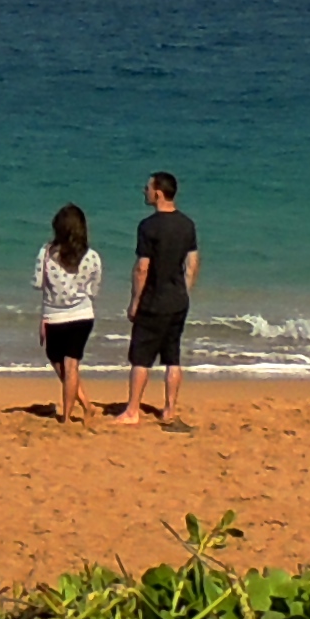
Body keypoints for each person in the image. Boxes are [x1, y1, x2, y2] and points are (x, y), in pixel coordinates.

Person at [118, 171, 200, 429]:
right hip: (178, 300)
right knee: (172, 357)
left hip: (154, 300)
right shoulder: (187, 224)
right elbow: (193, 262)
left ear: (158, 193)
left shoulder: (149, 226)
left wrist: (134, 301)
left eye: (148, 188)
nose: (144, 191)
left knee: (141, 358)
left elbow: (142, 268)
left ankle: (132, 410)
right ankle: (170, 409)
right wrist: (184, 288)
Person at [33, 205, 100, 423]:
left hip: (55, 316)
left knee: (59, 361)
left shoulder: (46, 253)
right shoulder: (92, 257)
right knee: (71, 366)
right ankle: (84, 407)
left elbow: (39, 284)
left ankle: (67, 416)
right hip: (82, 315)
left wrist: (44, 316)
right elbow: (93, 290)